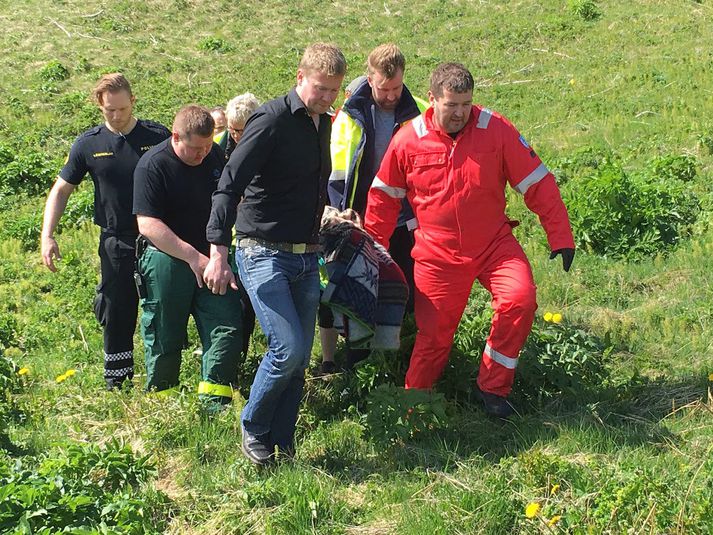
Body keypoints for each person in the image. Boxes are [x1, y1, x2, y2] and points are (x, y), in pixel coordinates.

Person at [364, 63, 575, 418]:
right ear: (432, 100)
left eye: (466, 104)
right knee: (433, 339)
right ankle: (413, 410)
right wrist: (373, 253)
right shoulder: (408, 140)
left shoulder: (496, 130)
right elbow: (383, 198)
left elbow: (537, 181)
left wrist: (560, 236)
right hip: (437, 254)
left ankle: (492, 389)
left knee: (519, 301)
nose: (461, 112)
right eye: (452, 105)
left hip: (494, 244)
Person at [204, 43, 346, 465]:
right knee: (285, 348)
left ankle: (281, 443)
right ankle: (253, 427)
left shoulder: (322, 122)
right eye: (320, 88)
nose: (326, 98)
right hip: (262, 251)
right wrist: (218, 248)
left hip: (306, 255)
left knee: (300, 356)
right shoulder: (270, 120)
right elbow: (229, 182)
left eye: (333, 91)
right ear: (300, 77)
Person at [40, 73, 170, 390]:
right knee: (117, 309)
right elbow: (61, 190)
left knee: (163, 308)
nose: (116, 115)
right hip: (116, 239)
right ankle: (118, 381)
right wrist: (48, 235)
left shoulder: (158, 136)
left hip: (160, 239)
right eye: (109, 110)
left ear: (133, 102)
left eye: (121, 109)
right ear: (100, 106)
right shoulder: (89, 144)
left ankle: (164, 380)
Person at [320, 44, 427, 373]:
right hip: (358, 218)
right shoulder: (350, 114)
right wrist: (337, 210)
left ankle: (394, 361)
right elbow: (336, 167)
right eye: (384, 88)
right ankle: (357, 365)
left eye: (397, 88)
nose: (392, 95)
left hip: (404, 219)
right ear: (370, 79)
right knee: (358, 291)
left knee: (403, 290)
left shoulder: (419, 112)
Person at [133, 105, 243, 408]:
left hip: (213, 257)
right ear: (176, 136)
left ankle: (214, 403)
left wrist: (215, 254)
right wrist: (193, 258)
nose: (202, 154)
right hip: (167, 258)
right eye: (196, 148)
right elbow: (148, 224)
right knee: (164, 331)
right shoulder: (152, 165)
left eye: (208, 146)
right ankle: (164, 403)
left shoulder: (214, 157)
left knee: (226, 324)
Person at [216, 93, 261, 159]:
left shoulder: (268, 142)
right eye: (231, 129)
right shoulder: (218, 144)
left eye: (241, 131)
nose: (236, 136)